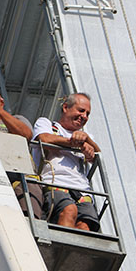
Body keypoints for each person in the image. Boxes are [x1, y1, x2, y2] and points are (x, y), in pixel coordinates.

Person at [32, 92, 102, 231]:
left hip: (82, 191)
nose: (84, 116)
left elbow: (98, 156)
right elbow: (44, 139)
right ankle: (62, 252)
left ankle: (77, 253)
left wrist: (86, 140)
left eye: (87, 114)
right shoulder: (47, 124)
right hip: (55, 183)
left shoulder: (86, 137)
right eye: (81, 110)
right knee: (69, 211)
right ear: (65, 107)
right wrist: (75, 143)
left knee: (85, 226)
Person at [0, 87, 44, 219]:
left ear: (1, 101)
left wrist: (0, 111)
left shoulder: (16, 119)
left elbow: (26, 135)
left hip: (21, 178)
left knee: (29, 217)